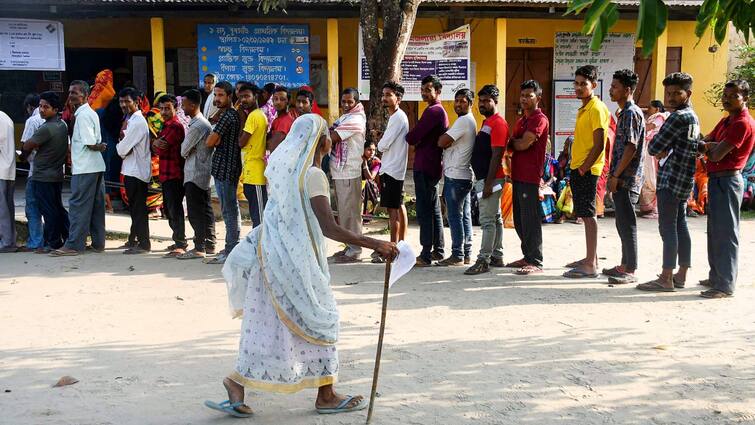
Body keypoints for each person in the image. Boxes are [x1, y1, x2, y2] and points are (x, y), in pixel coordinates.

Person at [207, 114, 398, 418]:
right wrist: (377, 244)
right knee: (323, 319)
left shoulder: (282, 171)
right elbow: (330, 228)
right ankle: (326, 395)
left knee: (266, 325)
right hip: (297, 262)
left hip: (270, 255)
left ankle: (236, 382)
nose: (330, 139)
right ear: (319, 140)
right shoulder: (312, 176)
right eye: (328, 133)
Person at [636, 72, 700, 292]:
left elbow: (653, 147)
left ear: (688, 93)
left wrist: (663, 150)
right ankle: (681, 274)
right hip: (685, 178)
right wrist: (664, 149)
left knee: (668, 228)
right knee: (681, 225)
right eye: (669, 93)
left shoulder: (677, 117)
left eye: (676, 93)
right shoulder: (693, 116)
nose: (671, 97)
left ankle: (666, 277)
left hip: (671, 179)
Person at [697, 79, 755, 298]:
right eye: (726, 95)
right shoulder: (726, 121)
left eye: (734, 96)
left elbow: (716, 153)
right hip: (717, 178)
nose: (727, 99)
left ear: (745, 99)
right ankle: (716, 276)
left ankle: (725, 284)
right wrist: (708, 146)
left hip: (729, 179)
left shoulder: (742, 123)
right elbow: (705, 142)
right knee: (714, 231)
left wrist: (708, 147)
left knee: (726, 232)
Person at [563, 65, 611, 279]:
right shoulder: (585, 108)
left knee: (588, 216)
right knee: (584, 213)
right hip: (579, 167)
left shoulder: (597, 108)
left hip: (588, 169)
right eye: (577, 83)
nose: (579, 87)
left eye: (584, 83)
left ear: (593, 85)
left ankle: (590, 265)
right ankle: (592, 258)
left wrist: (583, 168)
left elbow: (600, 143)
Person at [51, 81, 108, 256]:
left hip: (85, 167)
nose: (70, 96)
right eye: (70, 92)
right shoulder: (88, 113)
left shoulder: (83, 115)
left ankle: (74, 245)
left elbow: (91, 143)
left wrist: (99, 146)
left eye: (74, 93)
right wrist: (100, 146)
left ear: (84, 95)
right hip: (95, 165)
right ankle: (98, 243)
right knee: (96, 206)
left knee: (78, 205)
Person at [603, 70, 646, 284]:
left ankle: (630, 268)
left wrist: (616, 176)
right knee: (622, 222)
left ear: (627, 90)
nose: (611, 90)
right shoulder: (624, 113)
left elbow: (631, 147)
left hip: (626, 179)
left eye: (615, 86)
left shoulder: (631, 113)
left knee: (627, 223)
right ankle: (624, 263)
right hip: (621, 178)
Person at [506, 80, 550, 275]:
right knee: (519, 219)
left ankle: (536, 260)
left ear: (538, 98)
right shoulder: (522, 120)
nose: (524, 99)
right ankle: (527, 255)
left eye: (529, 96)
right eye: (522, 95)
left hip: (531, 175)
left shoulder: (539, 119)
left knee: (530, 219)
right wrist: (514, 143)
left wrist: (512, 143)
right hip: (517, 175)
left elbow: (523, 144)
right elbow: (516, 143)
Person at [465, 84, 508, 275]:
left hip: (491, 179)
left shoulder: (498, 123)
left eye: (486, 101)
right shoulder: (488, 122)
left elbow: (497, 154)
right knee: (496, 218)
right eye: (480, 101)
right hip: (486, 178)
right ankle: (497, 255)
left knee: (487, 221)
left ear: (495, 101)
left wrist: (489, 183)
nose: (482, 104)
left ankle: (483, 260)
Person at [20, 92, 70, 252]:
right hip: (55, 174)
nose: (41, 110)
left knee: (48, 210)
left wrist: (23, 156)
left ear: (55, 110)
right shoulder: (62, 125)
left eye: (46, 107)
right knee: (56, 208)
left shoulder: (47, 128)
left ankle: (52, 242)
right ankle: (66, 237)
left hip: (43, 175)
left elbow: (27, 145)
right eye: (40, 106)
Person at [407, 75, 448, 266]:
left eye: (428, 90)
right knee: (434, 210)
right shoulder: (437, 111)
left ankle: (425, 253)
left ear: (438, 91)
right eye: (422, 89)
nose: (424, 93)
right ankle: (438, 250)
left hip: (425, 165)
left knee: (425, 210)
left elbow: (412, 137)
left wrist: (413, 137)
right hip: (432, 165)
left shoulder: (433, 111)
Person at [436, 89, 477, 266]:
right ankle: (466, 253)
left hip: (456, 175)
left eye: (463, 101)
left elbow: (441, 142)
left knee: (454, 216)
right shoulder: (468, 121)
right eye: (456, 100)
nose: (458, 104)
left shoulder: (463, 121)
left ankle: (457, 254)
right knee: (464, 215)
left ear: (470, 103)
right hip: (464, 174)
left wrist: (446, 141)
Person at [329, 88, 367, 263]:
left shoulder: (356, 119)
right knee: (344, 212)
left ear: (356, 102)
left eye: (349, 102)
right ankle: (348, 246)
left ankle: (355, 250)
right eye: (343, 101)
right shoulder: (345, 117)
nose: (346, 105)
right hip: (340, 170)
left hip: (349, 171)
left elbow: (332, 137)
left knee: (351, 213)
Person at [205, 81, 242, 265]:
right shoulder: (225, 114)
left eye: (220, 95)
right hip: (222, 167)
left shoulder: (228, 116)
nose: (217, 99)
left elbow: (210, 142)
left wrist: (216, 139)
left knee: (229, 211)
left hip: (227, 168)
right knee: (230, 209)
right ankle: (231, 246)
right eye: (215, 95)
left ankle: (231, 249)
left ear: (229, 96)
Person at [177, 89, 216, 260]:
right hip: (201, 171)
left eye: (184, 104)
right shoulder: (201, 123)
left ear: (193, 105)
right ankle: (210, 243)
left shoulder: (198, 125)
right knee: (205, 208)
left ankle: (199, 245)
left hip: (195, 172)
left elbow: (183, 150)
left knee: (196, 210)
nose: (182, 107)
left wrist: (187, 149)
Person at [375, 81, 410, 260]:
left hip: (391, 169)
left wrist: (380, 141)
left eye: (389, 95)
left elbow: (383, 144)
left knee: (392, 211)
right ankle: (401, 245)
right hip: (395, 168)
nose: (385, 98)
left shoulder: (397, 118)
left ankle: (393, 249)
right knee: (399, 206)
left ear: (399, 98)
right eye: (384, 95)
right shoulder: (397, 117)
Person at [116, 87, 152, 254]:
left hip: (136, 171)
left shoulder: (137, 122)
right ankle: (134, 239)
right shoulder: (131, 120)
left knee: (138, 209)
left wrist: (121, 143)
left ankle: (144, 244)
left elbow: (121, 150)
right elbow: (124, 147)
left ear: (136, 102)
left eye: (127, 101)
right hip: (133, 170)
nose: (123, 105)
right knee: (135, 208)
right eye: (121, 101)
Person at [151, 94, 187, 257]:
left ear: (176, 108)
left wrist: (156, 143)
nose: (164, 112)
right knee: (169, 209)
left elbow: (160, 148)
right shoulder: (165, 126)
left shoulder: (175, 126)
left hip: (174, 173)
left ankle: (181, 243)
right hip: (166, 173)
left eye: (167, 108)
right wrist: (156, 143)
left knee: (175, 209)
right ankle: (178, 240)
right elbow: (156, 146)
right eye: (162, 109)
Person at [238, 84, 269, 228]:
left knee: (259, 219)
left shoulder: (254, 116)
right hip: (251, 171)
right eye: (241, 96)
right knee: (256, 215)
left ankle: (261, 248)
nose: (243, 100)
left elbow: (241, 142)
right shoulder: (257, 115)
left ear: (255, 97)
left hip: (256, 172)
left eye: (246, 96)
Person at [19, 94, 45, 252]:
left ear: (30, 106)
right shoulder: (58, 121)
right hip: (53, 171)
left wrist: (22, 157)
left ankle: (35, 242)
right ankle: (51, 239)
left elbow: (25, 146)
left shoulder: (33, 121)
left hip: (35, 171)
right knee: (49, 207)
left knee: (33, 208)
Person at [639, 100, 668, 218]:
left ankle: (656, 210)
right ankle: (648, 208)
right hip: (647, 152)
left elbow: (647, 128)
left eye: (650, 108)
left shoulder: (659, 118)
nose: (648, 110)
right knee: (646, 179)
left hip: (652, 154)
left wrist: (638, 119)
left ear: (657, 109)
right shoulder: (653, 117)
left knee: (652, 180)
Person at [0, 109, 16, 253]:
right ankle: (9, 241)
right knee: (7, 207)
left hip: (1, 169)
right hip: (7, 169)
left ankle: (6, 242)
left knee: (2, 209)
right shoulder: (6, 117)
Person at [267, 86, 295, 152]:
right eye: (276, 99)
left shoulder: (285, 121)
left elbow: (272, 146)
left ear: (288, 101)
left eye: (282, 99)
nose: (278, 102)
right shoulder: (277, 119)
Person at [361, 140, 381, 219]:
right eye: (369, 149)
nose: (372, 152)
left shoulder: (376, 162)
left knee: (366, 184)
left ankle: (365, 217)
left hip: (371, 187)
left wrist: (365, 164)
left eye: (373, 150)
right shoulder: (357, 159)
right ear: (363, 150)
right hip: (357, 184)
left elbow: (370, 177)